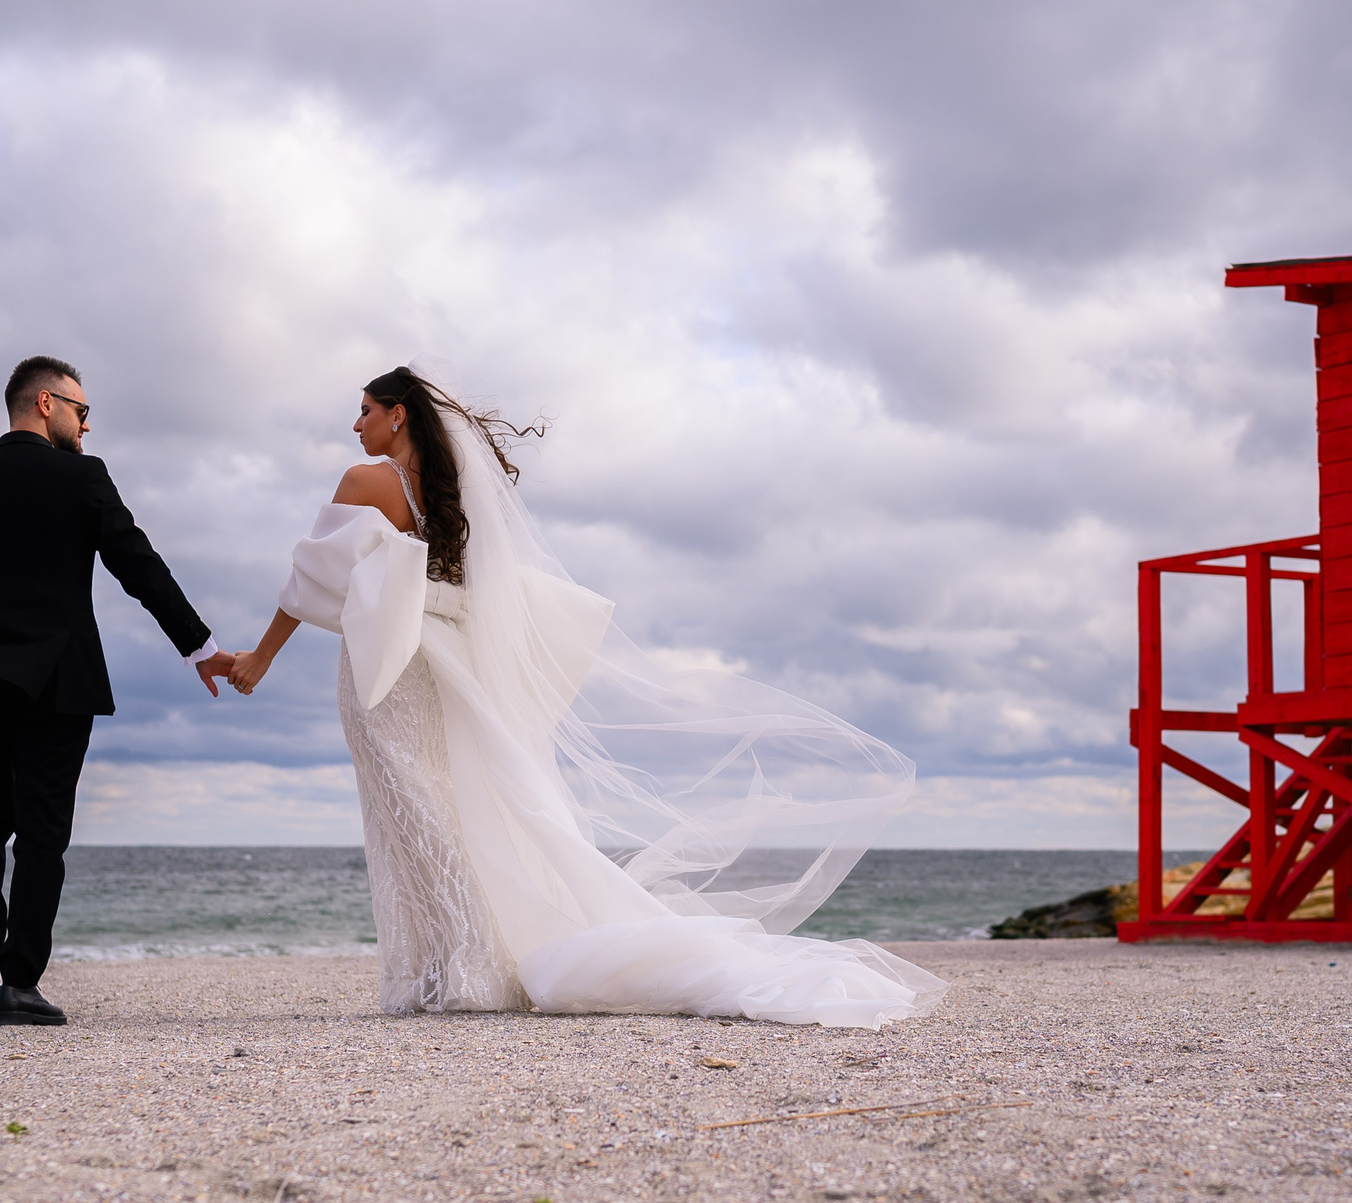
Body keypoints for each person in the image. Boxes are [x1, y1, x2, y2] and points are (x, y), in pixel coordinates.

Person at [226, 366, 941, 1028]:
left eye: (365, 411)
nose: (356, 425)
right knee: (435, 805)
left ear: (398, 415)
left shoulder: (367, 480)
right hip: (434, 666)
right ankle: (456, 965)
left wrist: (259, 657)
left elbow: (311, 583)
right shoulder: (454, 501)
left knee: (409, 811)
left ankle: (463, 970)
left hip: (381, 668)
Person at [0, 358, 238, 1027]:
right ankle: (20, 984)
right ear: (43, 403)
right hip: (59, 679)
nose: (86, 424)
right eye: (80, 411)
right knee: (40, 831)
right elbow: (138, 564)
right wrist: (199, 647)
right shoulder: (82, 477)